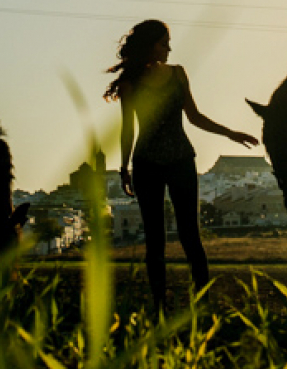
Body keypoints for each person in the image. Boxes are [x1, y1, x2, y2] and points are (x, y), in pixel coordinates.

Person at [104, 19, 258, 313]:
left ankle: (203, 304)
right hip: (146, 164)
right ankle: (160, 306)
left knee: (191, 236)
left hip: (181, 161)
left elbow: (195, 117)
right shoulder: (130, 82)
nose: (169, 49)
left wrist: (231, 134)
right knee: (155, 241)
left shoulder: (178, 74)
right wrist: (124, 168)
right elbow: (127, 130)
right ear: (150, 45)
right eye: (164, 43)